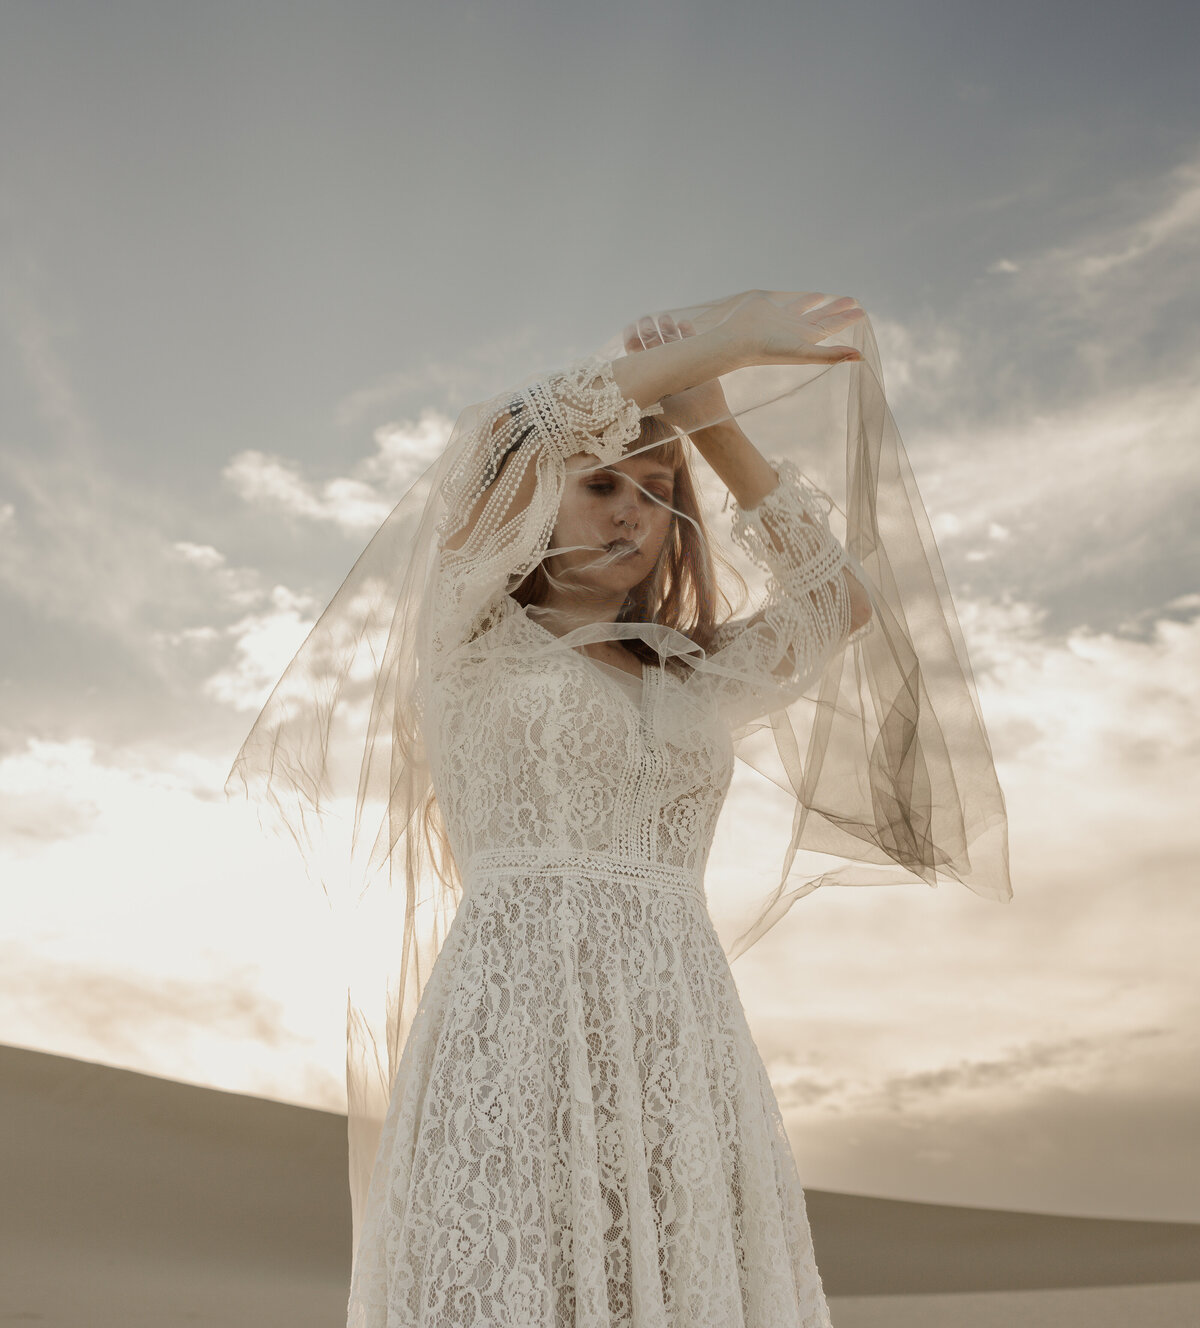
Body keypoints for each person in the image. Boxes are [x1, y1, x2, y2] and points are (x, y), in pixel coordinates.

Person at [228, 290, 1011, 1328]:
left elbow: (838, 606)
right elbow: (506, 435)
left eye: (654, 491)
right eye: (599, 484)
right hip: (513, 1019)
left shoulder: (695, 672)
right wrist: (706, 347)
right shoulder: (470, 639)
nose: (633, 512)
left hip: (677, 1028)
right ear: (535, 502)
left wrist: (712, 423)